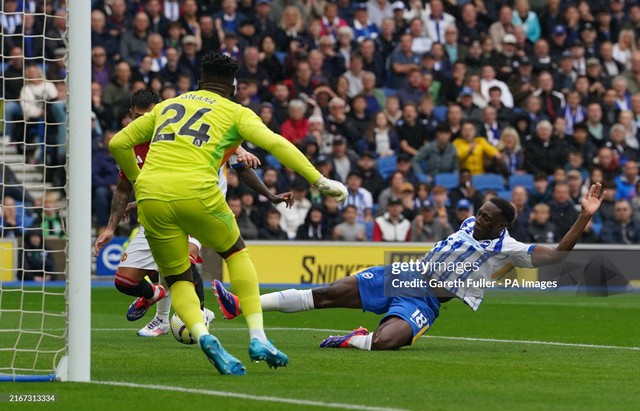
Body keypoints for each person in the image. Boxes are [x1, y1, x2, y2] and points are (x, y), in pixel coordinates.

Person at [109, 53, 347, 374]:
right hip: (198, 193)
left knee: (178, 278)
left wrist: (140, 181)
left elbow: (119, 143)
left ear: (199, 83)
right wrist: (320, 181)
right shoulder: (235, 111)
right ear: (232, 87)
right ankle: (258, 337)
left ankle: (202, 334)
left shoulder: (167, 105)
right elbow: (276, 144)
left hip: (151, 198)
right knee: (236, 255)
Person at [214, 184, 606, 351]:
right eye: (480, 212)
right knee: (329, 293)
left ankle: (354, 340)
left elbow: (555, 257)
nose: (477, 218)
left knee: (388, 342)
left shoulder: (510, 248)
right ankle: (244, 305)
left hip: (428, 300)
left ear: (502, 224)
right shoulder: (470, 223)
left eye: (487, 216)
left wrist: (583, 216)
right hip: (404, 273)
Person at [94, 89, 295, 337]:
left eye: (148, 115)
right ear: (131, 116)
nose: (143, 121)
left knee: (184, 260)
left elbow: (239, 165)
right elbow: (126, 187)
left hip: (199, 208)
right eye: (137, 117)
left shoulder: (188, 133)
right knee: (126, 282)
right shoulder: (133, 144)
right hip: (159, 211)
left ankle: (198, 313)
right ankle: (158, 304)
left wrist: (265, 186)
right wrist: (112, 226)